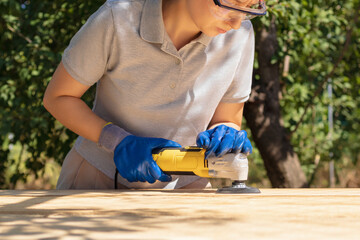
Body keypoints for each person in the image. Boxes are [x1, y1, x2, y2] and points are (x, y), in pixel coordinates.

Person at [43, 0, 267, 189]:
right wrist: (118, 141)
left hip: (187, 188)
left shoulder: (239, 36)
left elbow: (228, 118)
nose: (237, 23)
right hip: (98, 181)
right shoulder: (118, 16)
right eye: (232, 4)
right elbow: (59, 97)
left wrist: (224, 132)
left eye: (249, 7)